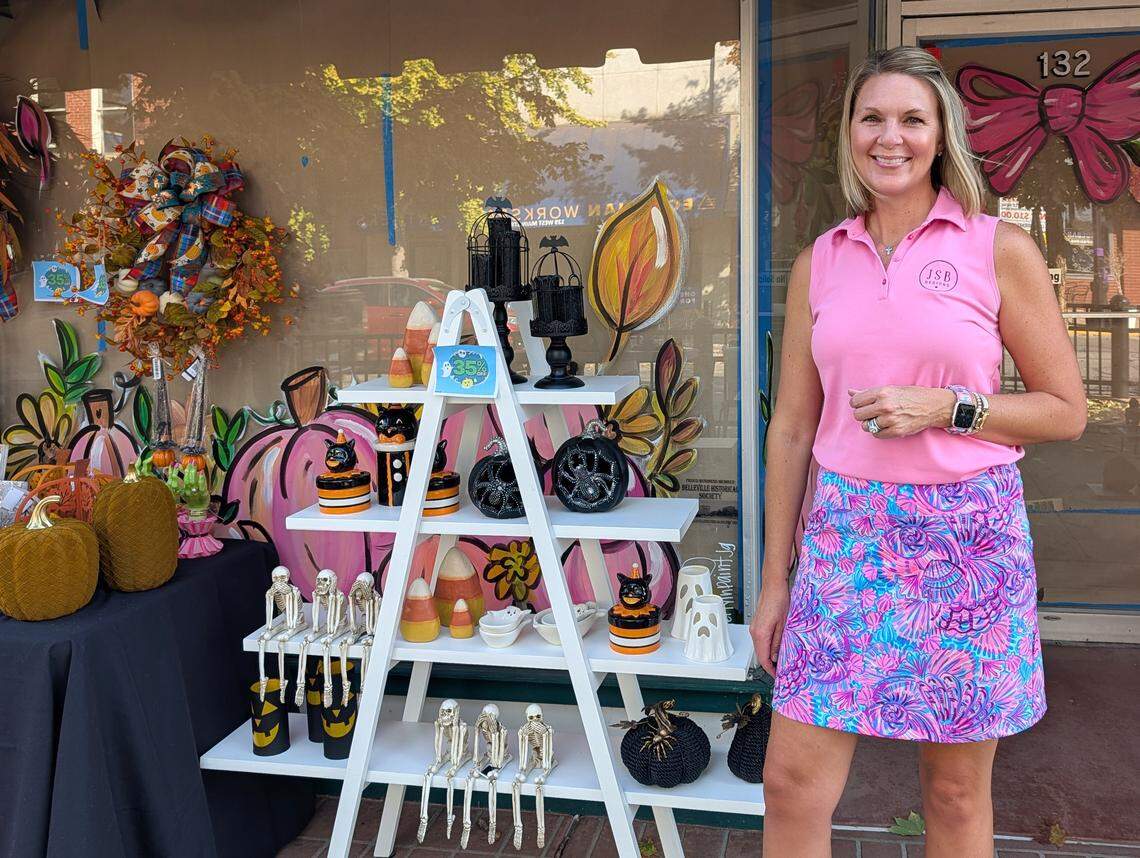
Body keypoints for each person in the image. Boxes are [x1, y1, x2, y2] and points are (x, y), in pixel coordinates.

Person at [750, 46, 1087, 858]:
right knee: (791, 784)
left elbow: (1066, 411)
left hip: (969, 542)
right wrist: (771, 583)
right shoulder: (818, 264)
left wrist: (949, 407)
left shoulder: (996, 249)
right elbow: (793, 428)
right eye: (872, 117)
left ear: (941, 137)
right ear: (850, 134)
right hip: (847, 540)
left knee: (955, 791)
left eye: (911, 119)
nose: (889, 137)